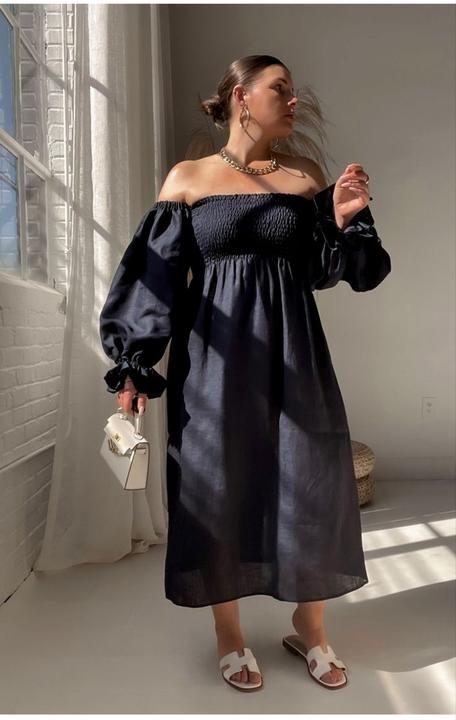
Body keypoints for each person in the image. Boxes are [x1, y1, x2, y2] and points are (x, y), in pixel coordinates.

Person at [99, 54, 391, 692]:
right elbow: (153, 277)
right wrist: (133, 363)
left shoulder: (304, 177)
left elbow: (337, 271)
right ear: (240, 96)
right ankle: (228, 633)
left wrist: (345, 218)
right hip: (213, 360)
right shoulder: (188, 179)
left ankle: (310, 625)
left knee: (311, 478)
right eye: (279, 88)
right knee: (214, 482)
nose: (293, 99)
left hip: (295, 354)